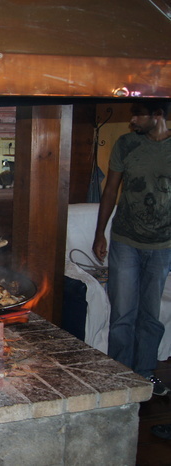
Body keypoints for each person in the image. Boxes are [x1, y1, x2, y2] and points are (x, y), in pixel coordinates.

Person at [92, 99, 171, 396]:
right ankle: (119, 374)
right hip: (125, 240)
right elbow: (110, 189)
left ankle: (145, 373)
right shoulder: (126, 144)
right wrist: (100, 233)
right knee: (123, 312)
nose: (132, 121)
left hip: (163, 245)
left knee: (150, 314)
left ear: (158, 115)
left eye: (138, 115)